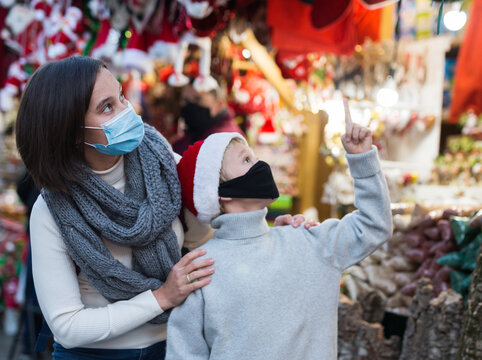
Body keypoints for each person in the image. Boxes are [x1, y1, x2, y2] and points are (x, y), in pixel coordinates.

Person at [15, 56, 215, 359]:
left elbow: (212, 240)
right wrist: (160, 298)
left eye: (121, 96)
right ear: (70, 131)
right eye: (107, 107)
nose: (127, 111)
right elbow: (66, 325)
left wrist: (277, 236)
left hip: (176, 346)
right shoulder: (52, 209)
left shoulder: (166, 165)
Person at [166, 98, 393, 360]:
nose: (260, 165)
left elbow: (374, 225)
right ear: (221, 193)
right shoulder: (201, 269)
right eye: (247, 160)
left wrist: (362, 159)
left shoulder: (308, 241)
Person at [172, 83, 244, 155]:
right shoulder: (194, 134)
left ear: (219, 105)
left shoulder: (225, 142)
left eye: (198, 99)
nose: (189, 106)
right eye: (185, 100)